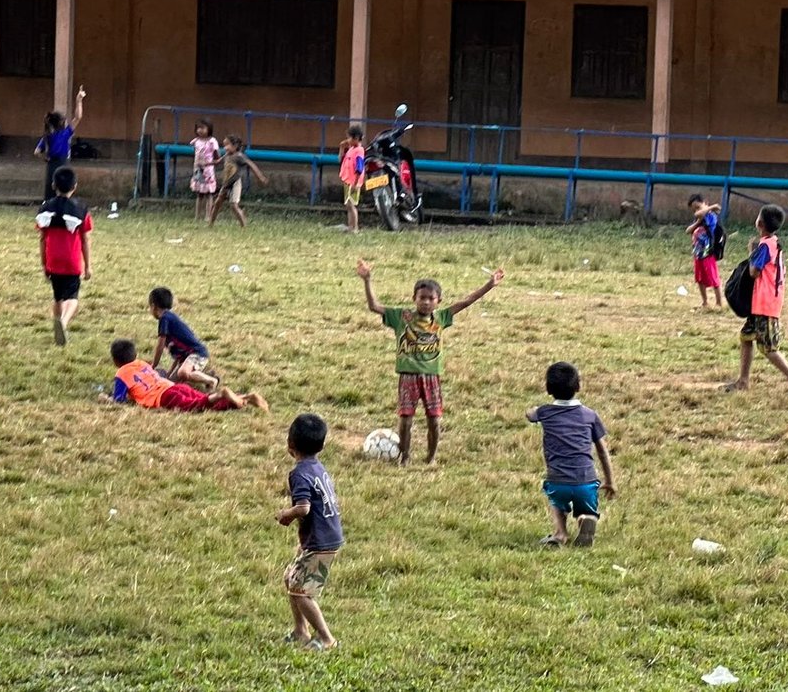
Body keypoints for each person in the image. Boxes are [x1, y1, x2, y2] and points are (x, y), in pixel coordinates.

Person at [355, 258, 505, 466]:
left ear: (439, 301)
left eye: (431, 298)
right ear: (414, 298)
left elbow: (467, 301)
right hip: (408, 377)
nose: (426, 302)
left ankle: (431, 457)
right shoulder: (402, 317)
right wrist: (367, 280)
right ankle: (404, 456)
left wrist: (490, 285)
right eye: (422, 298)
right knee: (405, 418)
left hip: (432, 377)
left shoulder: (442, 318)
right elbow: (374, 306)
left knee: (434, 420)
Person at [526, 362, 616, 548]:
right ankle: (586, 518)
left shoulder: (545, 412)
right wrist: (609, 481)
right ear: (578, 387)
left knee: (555, 500)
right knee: (587, 505)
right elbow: (602, 450)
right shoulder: (590, 415)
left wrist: (532, 409)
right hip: (587, 480)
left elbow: (531, 415)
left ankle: (560, 533)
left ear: (548, 388)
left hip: (558, 480)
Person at [274, 413, 344, 651]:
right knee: (291, 579)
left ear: (290, 444)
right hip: (325, 536)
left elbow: (304, 508)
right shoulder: (318, 467)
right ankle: (300, 631)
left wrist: (286, 514)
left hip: (321, 541)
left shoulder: (299, 474)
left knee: (301, 591)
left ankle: (326, 638)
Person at [722, 205, 788, 396]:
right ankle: (743, 381)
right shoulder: (774, 242)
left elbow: (754, 272)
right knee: (745, 338)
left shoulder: (765, 246)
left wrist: (752, 252)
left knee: (768, 348)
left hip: (764, 304)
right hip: (763, 303)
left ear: (759, 223)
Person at [100, 339, 268, 413]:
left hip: (165, 398)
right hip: (175, 387)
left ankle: (222, 394)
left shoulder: (122, 373)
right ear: (134, 354)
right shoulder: (142, 363)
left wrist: (105, 399)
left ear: (116, 361)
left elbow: (119, 400)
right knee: (206, 403)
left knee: (197, 406)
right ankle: (244, 398)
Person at [35, 167, 92, 346]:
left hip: (53, 261)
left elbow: (42, 239)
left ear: (53, 185)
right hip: (72, 261)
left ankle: (57, 324)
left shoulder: (45, 208)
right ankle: (64, 322)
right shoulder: (81, 210)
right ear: (74, 186)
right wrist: (88, 265)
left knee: (58, 297)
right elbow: (85, 239)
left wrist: (44, 263)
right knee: (72, 299)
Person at [148, 287, 220, 392]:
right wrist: (169, 373)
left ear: (153, 306)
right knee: (170, 385)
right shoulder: (170, 319)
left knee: (183, 372)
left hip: (197, 353)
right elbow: (178, 355)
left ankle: (212, 380)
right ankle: (206, 376)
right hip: (187, 358)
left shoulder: (165, 319)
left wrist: (153, 365)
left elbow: (160, 346)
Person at [35, 86, 85, 200]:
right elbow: (78, 117)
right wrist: (79, 100)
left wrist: (45, 158)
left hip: (51, 165)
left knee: (50, 193)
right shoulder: (65, 134)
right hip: (64, 164)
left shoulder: (47, 136)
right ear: (61, 123)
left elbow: (36, 152)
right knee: (64, 190)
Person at [210, 135, 268, 228]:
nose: (225, 148)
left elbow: (251, 165)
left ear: (235, 145)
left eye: (227, 145)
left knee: (234, 205)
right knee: (217, 203)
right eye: (224, 145)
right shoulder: (227, 155)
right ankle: (210, 224)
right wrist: (206, 163)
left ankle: (243, 226)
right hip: (226, 184)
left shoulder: (239, 156)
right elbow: (217, 162)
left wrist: (260, 177)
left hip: (235, 183)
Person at [686, 194, 723, 308]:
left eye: (698, 206)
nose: (696, 211)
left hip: (708, 253)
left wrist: (710, 208)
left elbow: (700, 213)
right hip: (698, 254)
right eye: (694, 209)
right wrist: (697, 222)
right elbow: (688, 231)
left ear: (705, 203)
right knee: (700, 278)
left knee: (713, 278)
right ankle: (705, 302)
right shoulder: (697, 219)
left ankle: (718, 302)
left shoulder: (711, 216)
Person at [189, 119, 220, 220]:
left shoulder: (212, 141)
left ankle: (208, 215)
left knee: (209, 194)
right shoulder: (196, 141)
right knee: (199, 194)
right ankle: (197, 215)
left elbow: (217, 156)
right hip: (198, 170)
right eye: (198, 128)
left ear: (209, 129)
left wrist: (209, 162)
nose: (200, 130)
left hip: (208, 171)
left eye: (202, 128)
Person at [339, 124, 365, 233]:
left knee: (352, 204)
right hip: (347, 180)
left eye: (349, 137)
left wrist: (355, 183)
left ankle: (355, 228)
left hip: (353, 182)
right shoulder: (351, 149)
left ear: (356, 138)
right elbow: (340, 159)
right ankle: (350, 226)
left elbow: (359, 168)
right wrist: (341, 147)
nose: (348, 140)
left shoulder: (359, 151)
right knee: (348, 205)